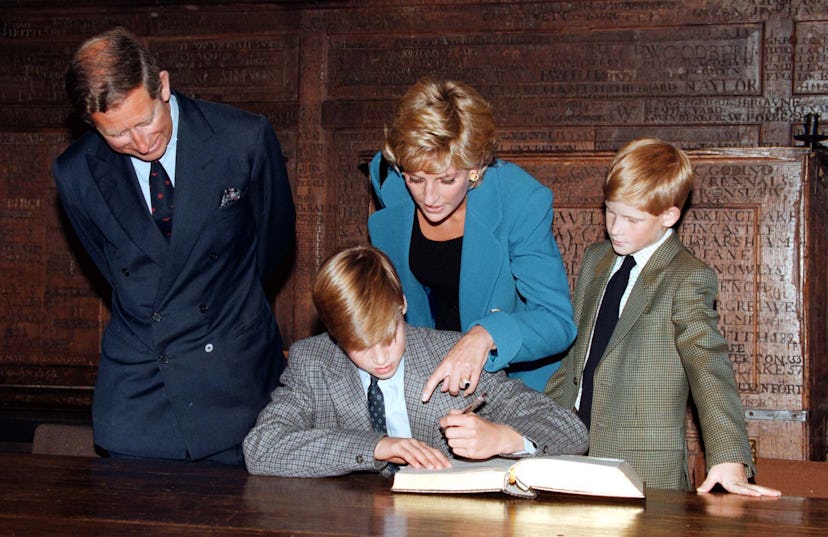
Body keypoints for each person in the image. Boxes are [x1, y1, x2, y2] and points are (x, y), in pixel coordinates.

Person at [53, 27, 295, 465]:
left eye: (145, 120)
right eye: (118, 135)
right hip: (140, 392)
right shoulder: (76, 172)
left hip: (233, 379)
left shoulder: (242, 138)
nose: (142, 144)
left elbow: (273, 243)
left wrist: (223, 305)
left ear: (162, 84)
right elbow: (112, 266)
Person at [545, 138, 780, 496]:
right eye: (610, 211)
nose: (615, 228)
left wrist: (729, 455)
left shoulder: (687, 276)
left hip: (645, 468)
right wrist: (540, 426)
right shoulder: (597, 258)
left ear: (669, 216)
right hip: (569, 450)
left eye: (632, 219)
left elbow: (708, 365)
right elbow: (575, 356)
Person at [243, 245, 587, 477]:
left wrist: (503, 438)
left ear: (402, 304)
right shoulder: (312, 362)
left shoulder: (452, 356)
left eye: (389, 337)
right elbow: (261, 447)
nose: (380, 358)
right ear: (334, 334)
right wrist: (376, 446)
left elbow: (571, 430)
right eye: (359, 347)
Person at [368, 77, 576, 399]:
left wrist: (486, 335)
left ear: (476, 168)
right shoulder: (393, 186)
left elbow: (557, 321)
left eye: (447, 179)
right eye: (416, 178)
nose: (429, 196)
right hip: (429, 375)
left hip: (514, 381)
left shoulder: (518, 201)